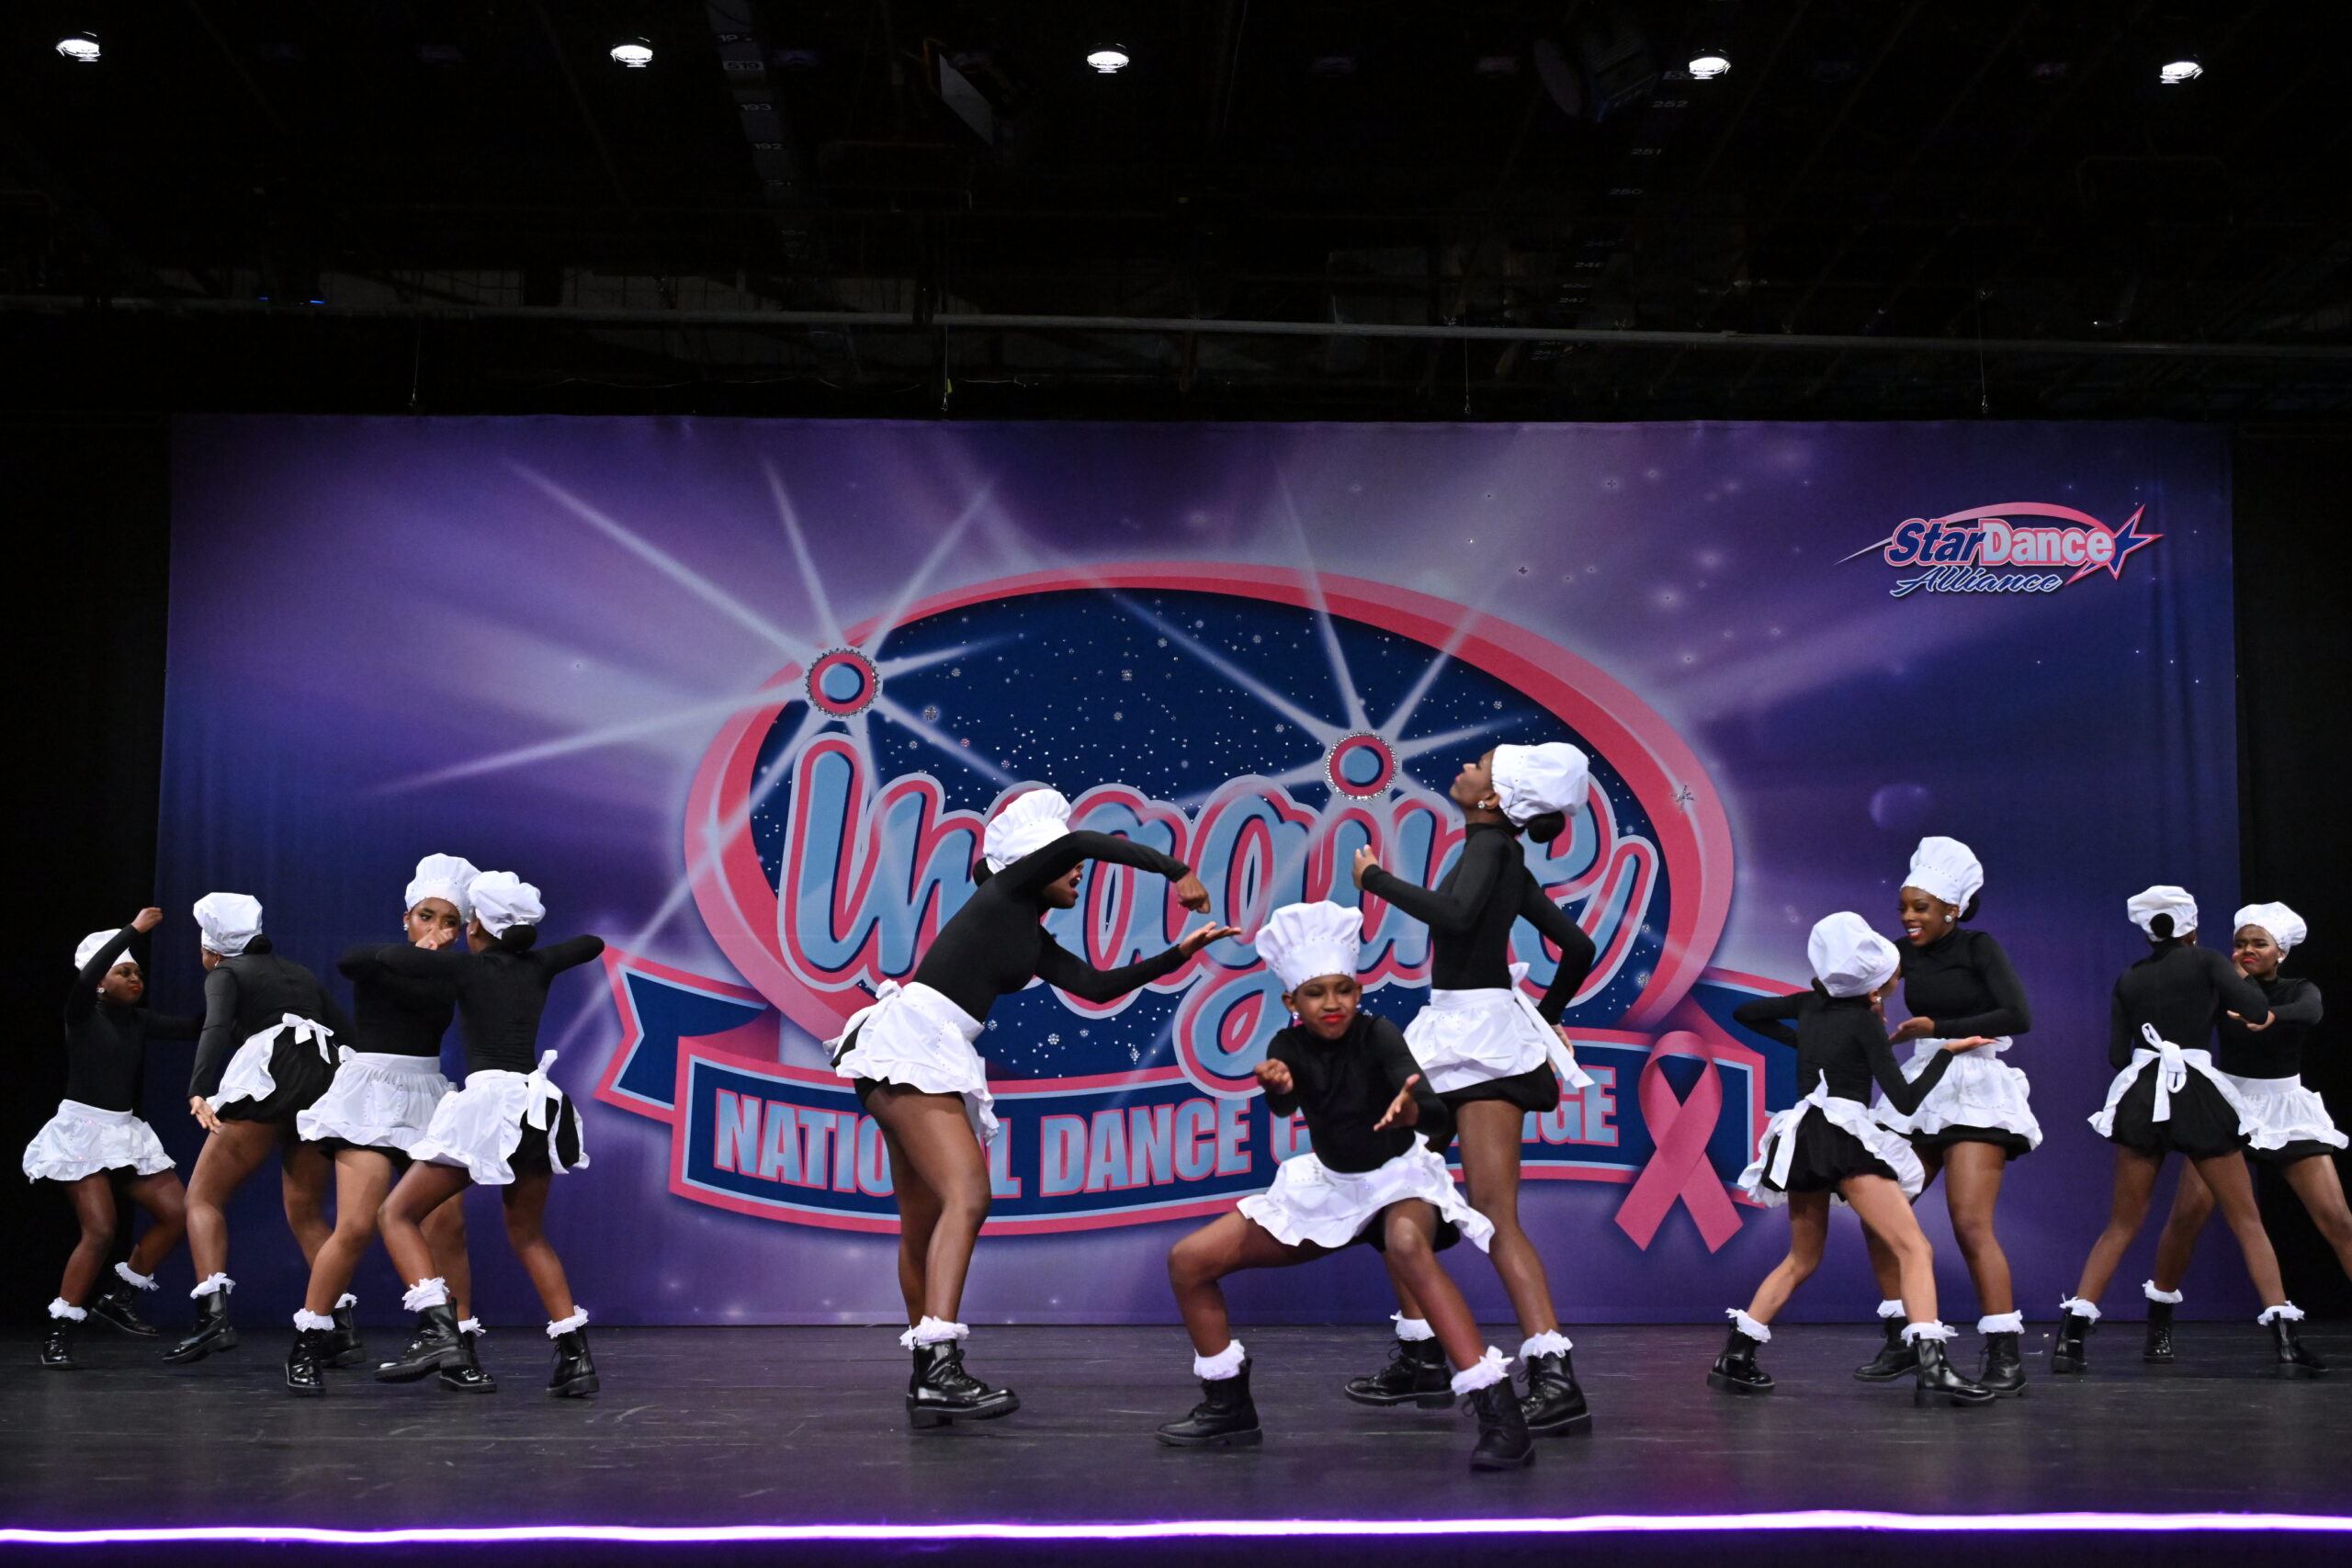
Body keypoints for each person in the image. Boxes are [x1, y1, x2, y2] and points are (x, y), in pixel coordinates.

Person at [828, 787, 1232, 1427]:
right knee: (968, 1195)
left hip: (916, 1052)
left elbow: (1095, 986)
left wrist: (1176, 955)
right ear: (1037, 864)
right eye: (1070, 865)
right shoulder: (1005, 894)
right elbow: (1082, 841)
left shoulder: (1025, 932)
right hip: (913, 1047)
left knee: (925, 1221)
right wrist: (1176, 869)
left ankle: (927, 1377)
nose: (1080, 872)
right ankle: (939, 1367)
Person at [1154, 901, 1531, 1471]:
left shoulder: (1379, 1034)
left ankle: (1502, 1417)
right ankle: (1228, 1408)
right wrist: (1278, 1086)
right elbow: (1285, 1105)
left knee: (1406, 1243)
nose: (1332, 1003)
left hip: (1398, 1181)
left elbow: (1431, 1108)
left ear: (1358, 991)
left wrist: (1412, 1111)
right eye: (1315, 993)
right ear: (1292, 1002)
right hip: (1330, 1189)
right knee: (1189, 1260)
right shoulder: (1288, 1048)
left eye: (1343, 990)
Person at [1348, 742, 1600, 1435]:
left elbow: (1456, 917)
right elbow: (1578, 948)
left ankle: (1550, 1374)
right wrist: (1548, 1016)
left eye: (1480, 766)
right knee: (1400, 1192)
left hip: (1481, 1044)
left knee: (1485, 1210)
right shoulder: (1502, 854)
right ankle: (1424, 1354)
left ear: (1495, 797)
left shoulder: (1491, 849)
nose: (1465, 768)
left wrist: (1374, 879)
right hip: (1460, 1034)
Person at [1713, 912, 1996, 1407]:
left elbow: (1746, 1014)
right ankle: (1933, 1367)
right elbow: (1905, 1101)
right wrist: (1946, 1054)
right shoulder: (1865, 1023)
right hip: (1842, 1136)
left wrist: (1806, 1043)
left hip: (1803, 1136)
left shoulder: (1809, 1005)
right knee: (1914, 1248)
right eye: (1894, 976)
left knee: (1802, 1258)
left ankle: (1735, 1357)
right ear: (1878, 985)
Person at [2054, 887, 2321, 1376]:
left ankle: (2070, 1339)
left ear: (2149, 931)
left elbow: (2116, 1054)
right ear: (2192, 928)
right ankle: (2286, 1343)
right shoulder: (2208, 962)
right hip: (2196, 1094)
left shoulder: (2130, 976)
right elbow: (2256, 1011)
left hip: (2142, 1094)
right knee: (2247, 1221)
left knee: (2122, 1224)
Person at [370, 872, 605, 1396]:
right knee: (528, 1234)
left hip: (490, 1107)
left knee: (396, 1214)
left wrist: (432, 944)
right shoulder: (538, 965)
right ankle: (576, 1359)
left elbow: (388, 958)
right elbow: (592, 943)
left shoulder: (466, 967)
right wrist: (532, 948)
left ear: (475, 926)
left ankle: (438, 1331)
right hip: (537, 1108)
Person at [283, 855, 484, 1395]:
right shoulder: (377, 960)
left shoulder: (457, 974)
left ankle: (456, 1347)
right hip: (370, 1095)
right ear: (406, 918)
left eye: (449, 922)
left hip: (428, 1096)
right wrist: (419, 953)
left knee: (449, 1227)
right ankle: (308, 1344)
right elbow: (349, 960)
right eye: (426, 916)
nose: (437, 929)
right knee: (355, 1225)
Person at [1856, 837, 2039, 1394]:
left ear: (1952, 910)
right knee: (1881, 1214)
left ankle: (2004, 1353)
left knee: (1969, 1222)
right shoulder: (1901, 953)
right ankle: (1905, 1339)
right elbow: (1854, 984)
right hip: (1923, 1084)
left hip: (1976, 1084)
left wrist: (1939, 1029)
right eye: (1904, 908)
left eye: (1921, 908)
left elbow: (2017, 1016)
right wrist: (1862, 1010)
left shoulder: (1980, 947)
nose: (1908, 917)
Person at [2140, 902, 2345, 1366]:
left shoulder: (2298, 989)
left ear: (2281, 952)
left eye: (2259, 944)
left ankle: (2285, 1333)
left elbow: (2310, 1010)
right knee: (2186, 1217)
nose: (2247, 950)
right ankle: (2159, 1324)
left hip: (2286, 1108)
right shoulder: (2221, 987)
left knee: (2338, 1219)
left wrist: (2270, 1015)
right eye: (2240, 943)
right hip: (2228, 1106)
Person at [169, 892, 349, 1364]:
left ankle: (212, 1320)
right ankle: (339, 1329)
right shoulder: (301, 973)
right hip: (322, 1079)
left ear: (212, 948)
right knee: (306, 1211)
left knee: (202, 1198)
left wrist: (198, 1089)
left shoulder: (225, 972)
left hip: (272, 1076)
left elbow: (214, 1028)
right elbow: (345, 1031)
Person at [24, 910, 196, 1369]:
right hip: (81, 1131)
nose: (136, 978)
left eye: (138, 971)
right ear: (100, 981)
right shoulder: (81, 1013)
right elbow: (84, 982)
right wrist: (133, 931)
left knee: (179, 1213)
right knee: (100, 1230)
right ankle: (60, 1331)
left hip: (122, 1132)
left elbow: (196, 1027)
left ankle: (119, 1299)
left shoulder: (137, 1020)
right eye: (124, 972)